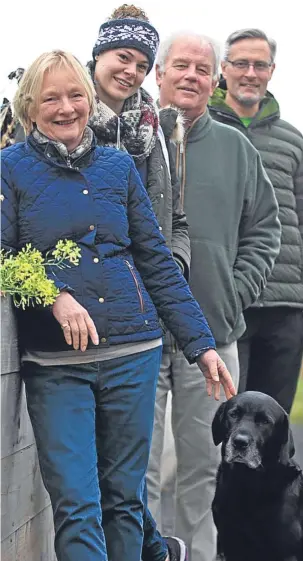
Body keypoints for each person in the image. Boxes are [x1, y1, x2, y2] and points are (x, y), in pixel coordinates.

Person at [0, 50, 235, 561]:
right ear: (29, 107)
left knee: (123, 503)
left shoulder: (117, 167)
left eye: (76, 95)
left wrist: (201, 345)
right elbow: (3, 254)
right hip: (57, 365)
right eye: (51, 98)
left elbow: (155, 258)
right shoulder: (9, 169)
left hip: (134, 352)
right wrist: (53, 298)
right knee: (77, 505)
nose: (67, 108)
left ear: (90, 99)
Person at [146, 31, 281, 561]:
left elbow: (266, 230)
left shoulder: (236, 148)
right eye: (181, 66)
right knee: (142, 465)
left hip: (214, 337)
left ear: (215, 79)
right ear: (160, 74)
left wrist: (235, 293)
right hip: (141, 335)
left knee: (207, 466)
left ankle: (199, 557)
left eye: (203, 69)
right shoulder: (133, 141)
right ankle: (148, 552)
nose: (191, 77)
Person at [87, 5, 190, 561]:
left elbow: (175, 222)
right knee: (90, 470)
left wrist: (167, 279)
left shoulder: (159, 129)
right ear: (100, 53)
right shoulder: (59, 108)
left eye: (142, 62)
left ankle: (150, 549)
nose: (130, 70)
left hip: (138, 318)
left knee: (125, 466)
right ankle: (157, 550)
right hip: (72, 313)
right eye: (122, 56)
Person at [209, 28, 303, 414]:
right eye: (241, 63)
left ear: (271, 70)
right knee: (227, 420)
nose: (250, 72)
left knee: (274, 423)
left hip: (286, 305)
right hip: (229, 300)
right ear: (224, 69)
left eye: (259, 64)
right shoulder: (201, 131)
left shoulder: (293, 140)